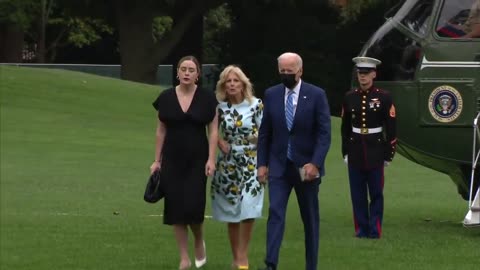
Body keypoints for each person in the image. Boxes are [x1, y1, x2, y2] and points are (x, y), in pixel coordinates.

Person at [257, 52, 331, 270]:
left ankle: (311, 265)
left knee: (309, 217)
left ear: (300, 70)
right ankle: (271, 263)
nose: (286, 75)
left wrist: (315, 163)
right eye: (282, 71)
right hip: (279, 166)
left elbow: (324, 134)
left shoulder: (316, 95)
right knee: (276, 213)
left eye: (289, 71)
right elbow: (265, 133)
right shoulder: (271, 94)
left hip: (305, 167)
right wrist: (262, 164)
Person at [150, 55, 218, 270]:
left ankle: (199, 240)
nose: (187, 73)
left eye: (191, 69)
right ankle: (184, 258)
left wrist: (211, 158)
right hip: (172, 160)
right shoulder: (166, 97)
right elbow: (161, 130)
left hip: (197, 160)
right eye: (183, 69)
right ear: (177, 73)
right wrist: (156, 160)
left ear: (198, 75)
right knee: (176, 209)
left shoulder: (208, 98)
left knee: (194, 208)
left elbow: (214, 130)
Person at [211, 65, 264, 270]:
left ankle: (243, 257)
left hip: (252, 160)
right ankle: (236, 258)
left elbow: (267, 132)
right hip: (229, 163)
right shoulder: (219, 108)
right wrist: (218, 143)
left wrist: (255, 139)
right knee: (231, 211)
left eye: (235, 81)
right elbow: (211, 131)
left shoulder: (256, 105)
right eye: (228, 81)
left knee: (249, 208)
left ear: (243, 84)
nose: (232, 84)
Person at [340, 56, 397, 239]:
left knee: (376, 193)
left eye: (366, 73)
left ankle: (375, 229)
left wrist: (389, 154)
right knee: (357, 194)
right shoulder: (350, 97)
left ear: (374, 74)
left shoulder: (384, 97)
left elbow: (392, 127)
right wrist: (345, 151)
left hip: (375, 149)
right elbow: (345, 127)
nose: (362, 77)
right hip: (356, 148)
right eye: (359, 73)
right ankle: (361, 230)